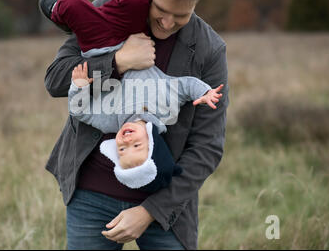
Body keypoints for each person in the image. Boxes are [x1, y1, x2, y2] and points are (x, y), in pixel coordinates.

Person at [44, 0, 229, 250]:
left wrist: (149, 211)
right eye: (161, 10)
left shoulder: (210, 50)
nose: (167, 23)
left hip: (166, 210)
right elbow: (55, 79)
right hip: (91, 197)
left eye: (181, 16)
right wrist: (116, 62)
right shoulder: (113, 5)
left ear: (197, 3)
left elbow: (207, 147)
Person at [67, 61, 223, 192]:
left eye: (121, 150)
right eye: (136, 145)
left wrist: (79, 87)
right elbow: (186, 86)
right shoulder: (166, 107)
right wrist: (205, 92)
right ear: (152, 142)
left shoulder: (111, 120)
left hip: (114, 45)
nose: (127, 142)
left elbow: (80, 111)